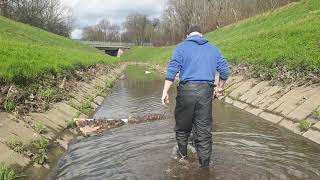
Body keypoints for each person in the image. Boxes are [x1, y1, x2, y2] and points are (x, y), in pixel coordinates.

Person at [161, 25, 230, 167]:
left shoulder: (181, 48)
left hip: (186, 92)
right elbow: (224, 71)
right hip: (206, 92)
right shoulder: (214, 49)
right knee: (204, 132)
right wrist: (220, 88)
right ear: (201, 34)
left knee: (182, 129)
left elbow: (172, 71)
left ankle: (183, 159)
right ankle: (205, 168)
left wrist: (165, 92)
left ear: (188, 36)